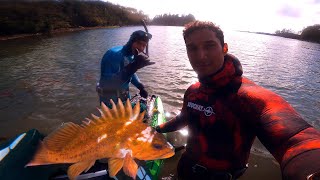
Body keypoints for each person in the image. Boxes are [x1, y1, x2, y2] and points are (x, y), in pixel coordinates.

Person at [155, 21, 320, 180]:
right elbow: (183, 118)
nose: (201, 55)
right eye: (192, 48)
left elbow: (295, 138)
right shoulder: (193, 91)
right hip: (185, 168)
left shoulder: (248, 97)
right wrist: (156, 129)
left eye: (209, 45)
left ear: (224, 48)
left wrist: (310, 166)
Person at [97, 30, 155, 107]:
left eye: (144, 45)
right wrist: (133, 67)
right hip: (110, 101)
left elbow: (131, 74)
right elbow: (109, 83)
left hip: (124, 97)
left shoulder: (131, 55)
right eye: (138, 43)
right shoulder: (114, 55)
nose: (141, 48)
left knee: (146, 108)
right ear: (131, 41)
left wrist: (140, 87)